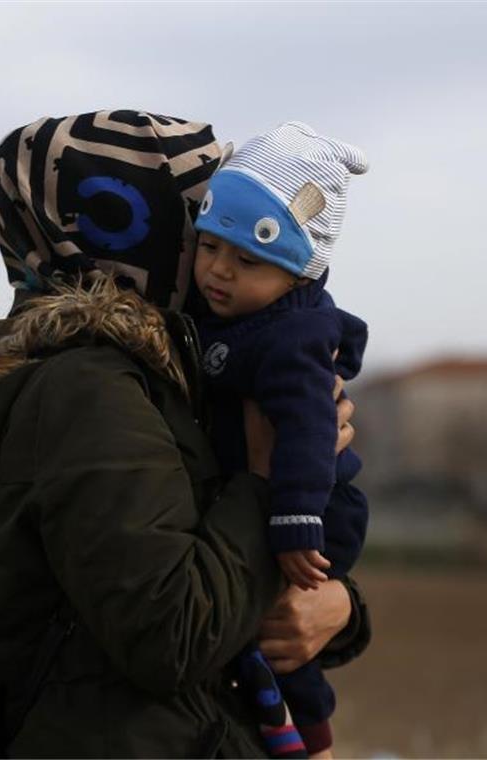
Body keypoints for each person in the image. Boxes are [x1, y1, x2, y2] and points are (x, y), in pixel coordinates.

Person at [0, 110, 371, 757]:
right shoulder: (88, 392)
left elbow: (226, 579)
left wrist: (337, 609)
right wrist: (266, 482)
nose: (208, 246)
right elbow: (174, 633)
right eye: (196, 216)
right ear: (132, 225)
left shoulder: (165, 378)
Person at [190, 121, 370, 759]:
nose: (218, 271)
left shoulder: (291, 337)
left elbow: (310, 428)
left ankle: (313, 740)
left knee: (286, 637)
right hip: (278, 503)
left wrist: (296, 521)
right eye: (209, 246)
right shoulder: (232, 313)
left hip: (316, 510)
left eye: (246, 261)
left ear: (298, 273)